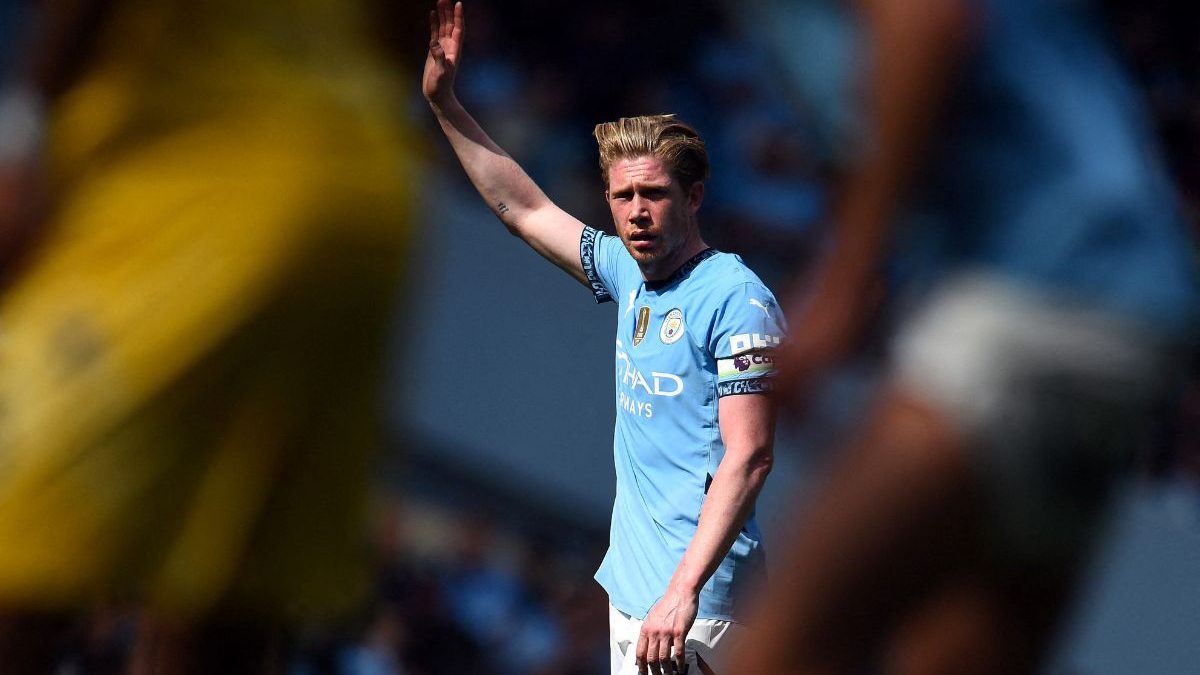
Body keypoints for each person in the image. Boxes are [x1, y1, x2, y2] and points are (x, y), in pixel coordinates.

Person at [733, 0, 1199, 673]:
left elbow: (925, 17)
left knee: (784, 648)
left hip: (1038, 277)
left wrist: (840, 286)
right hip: (1129, 308)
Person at [0, 0, 421, 672]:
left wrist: (22, 127)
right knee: (229, 604)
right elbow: (416, 32)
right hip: (367, 191)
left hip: (206, 181)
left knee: (16, 559)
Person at [422, 2, 785, 673]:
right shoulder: (627, 269)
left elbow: (751, 456)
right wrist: (447, 105)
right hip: (638, 597)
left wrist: (683, 592)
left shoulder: (736, 297)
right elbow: (527, 210)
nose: (637, 214)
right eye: (623, 198)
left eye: (654, 194)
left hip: (699, 605)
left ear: (695, 197)